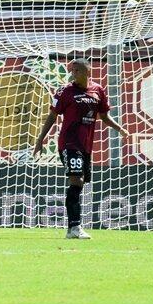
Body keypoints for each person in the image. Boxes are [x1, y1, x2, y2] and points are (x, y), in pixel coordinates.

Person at [33, 59, 130, 240]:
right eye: (72, 70)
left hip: (85, 146)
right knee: (76, 181)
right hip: (69, 143)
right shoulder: (65, 91)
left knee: (80, 183)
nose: (73, 73)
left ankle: (72, 228)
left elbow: (104, 116)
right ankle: (74, 227)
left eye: (77, 70)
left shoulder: (98, 90)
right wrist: (40, 140)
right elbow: (52, 115)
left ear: (87, 71)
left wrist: (120, 129)